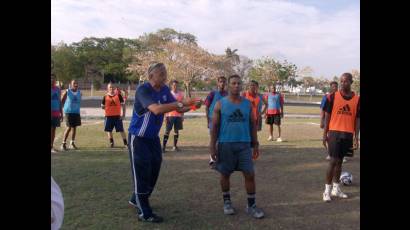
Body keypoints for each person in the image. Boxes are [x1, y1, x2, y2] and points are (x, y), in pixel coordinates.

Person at [127, 62, 202, 223]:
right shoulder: (143, 90)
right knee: (141, 172)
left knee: (154, 169)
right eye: (161, 73)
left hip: (153, 138)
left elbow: (178, 109)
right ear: (151, 75)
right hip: (138, 138)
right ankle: (144, 212)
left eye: (165, 73)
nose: (164, 76)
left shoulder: (165, 90)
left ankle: (136, 198)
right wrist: (182, 103)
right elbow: (157, 109)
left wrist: (193, 106)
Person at [210, 74, 264, 219]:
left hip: (244, 145)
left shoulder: (248, 104)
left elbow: (252, 124)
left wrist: (255, 143)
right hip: (225, 144)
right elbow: (214, 127)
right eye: (233, 83)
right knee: (225, 174)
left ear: (242, 86)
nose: (236, 86)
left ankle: (251, 205)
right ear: (228, 85)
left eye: (239, 83)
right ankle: (227, 202)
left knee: (250, 174)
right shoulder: (220, 104)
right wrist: (212, 146)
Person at [322, 73, 360, 202]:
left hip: (348, 134)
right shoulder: (332, 97)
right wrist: (324, 134)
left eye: (346, 81)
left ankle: (336, 188)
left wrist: (356, 136)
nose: (343, 83)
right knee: (333, 161)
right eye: (342, 81)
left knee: (340, 161)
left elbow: (357, 119)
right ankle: (326, 191)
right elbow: (327, 116)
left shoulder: (357, 99)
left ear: (351, 82)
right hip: (334, 133)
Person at [205, 76, 227, 167]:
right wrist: (208, 120)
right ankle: (212, 159)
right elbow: (206, 107)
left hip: (224, 121)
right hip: (213, 120)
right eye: (220, 82)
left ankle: (220, 158)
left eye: (224, 82)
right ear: (218, 83)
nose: (222, 83)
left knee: (222, 140)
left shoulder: (228, 94)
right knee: (213, 139)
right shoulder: (212, 94)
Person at [101, 83, 128, 148]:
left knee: (121, 130)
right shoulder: (105, 96)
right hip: (108, 116)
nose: (111, 88)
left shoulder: (118, 95)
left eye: (112, 87)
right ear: (107, 88)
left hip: (117, 116)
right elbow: (102, 105)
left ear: (114, 88)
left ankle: (125, 144)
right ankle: (111, 143)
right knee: (109, 130)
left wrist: (123, 115)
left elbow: (123, 105)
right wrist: (105, 108)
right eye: (110, 87)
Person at [162, 80, 185, 152]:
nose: (175, 86)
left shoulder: (181, 94)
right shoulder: (169, 94)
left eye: (176, 85)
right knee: (167, 131)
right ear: (171, 86)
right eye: (174, 85)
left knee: (176, 131)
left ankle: (175, 146)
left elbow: (182, 105)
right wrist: (165, 116)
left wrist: (182, 115)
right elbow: (165, 106)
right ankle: (163, 147)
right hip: (170, 115)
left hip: (178, 115)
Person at [60, 80, 82, 151]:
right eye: (74, 83)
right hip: (68, 112)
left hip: (76, 112)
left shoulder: (79, 92)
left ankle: (72, 143)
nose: (75, 85)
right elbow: (62, 100)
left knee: (74, 128)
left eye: (76, 83)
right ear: (71, 84)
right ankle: (63, 144)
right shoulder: (67, 91)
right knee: (69, 127)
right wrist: (62, 109)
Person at [320, 81, 339, 160]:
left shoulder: (340, 96)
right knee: (329, 137)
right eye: (333, 86)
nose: (335, 88)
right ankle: (330, 153)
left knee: (339, 138)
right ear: (330, 87)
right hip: (329, 120)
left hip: (338, 121)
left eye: (336, 86)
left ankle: (341, 155)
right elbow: (322, 110)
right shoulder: (327, 97)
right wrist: (322, 121)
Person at [51, 74, 63, 153]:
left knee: (53, 129)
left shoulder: (58, 89)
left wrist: (61, 112)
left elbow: (59, 101)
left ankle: (51, 146)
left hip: (56, 113)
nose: (52, 80)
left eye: (53, 79)